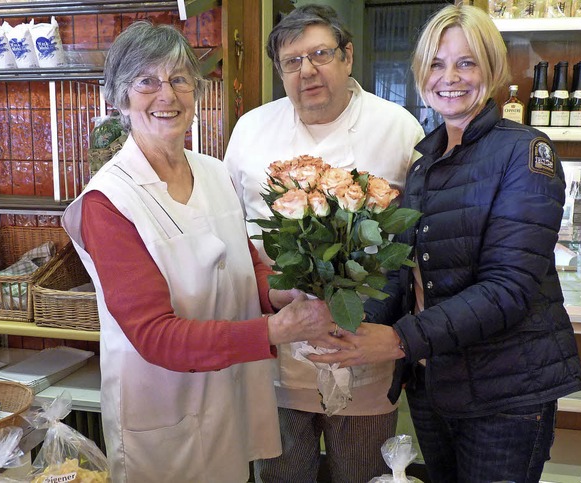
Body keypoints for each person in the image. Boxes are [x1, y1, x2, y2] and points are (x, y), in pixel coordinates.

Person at [309, 5, 581, 483]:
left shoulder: (524, 152)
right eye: (436, 63)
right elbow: (405, 272)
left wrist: (396, 339)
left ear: (491, 69)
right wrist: (348, 322)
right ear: (421, 74)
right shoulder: (426, 160)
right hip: (436, 384)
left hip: (505, 393)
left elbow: (508, 289)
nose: (449, 77)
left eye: (466, 62)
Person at [61, 21, 344, 483]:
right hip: (162, 414)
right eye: (146, 81)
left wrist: (282, 295)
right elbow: (155, 335)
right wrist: (274, 329)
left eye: (178, 79)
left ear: (196, 89)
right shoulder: (108, 202)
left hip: (226, 398)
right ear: (119, 97)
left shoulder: (215, 173)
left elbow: (243, 266)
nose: (166, 95)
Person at [224, 5, 425, 482]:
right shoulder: (251, 130)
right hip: (276, 345)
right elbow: (231, 232)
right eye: (291, 62)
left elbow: (415, 242)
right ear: (279, 70)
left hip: (364, 346)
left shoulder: (397, 128)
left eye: (320, 54)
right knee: (279, 474)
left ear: (347, 56)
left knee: (362, 473)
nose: (306, 71)